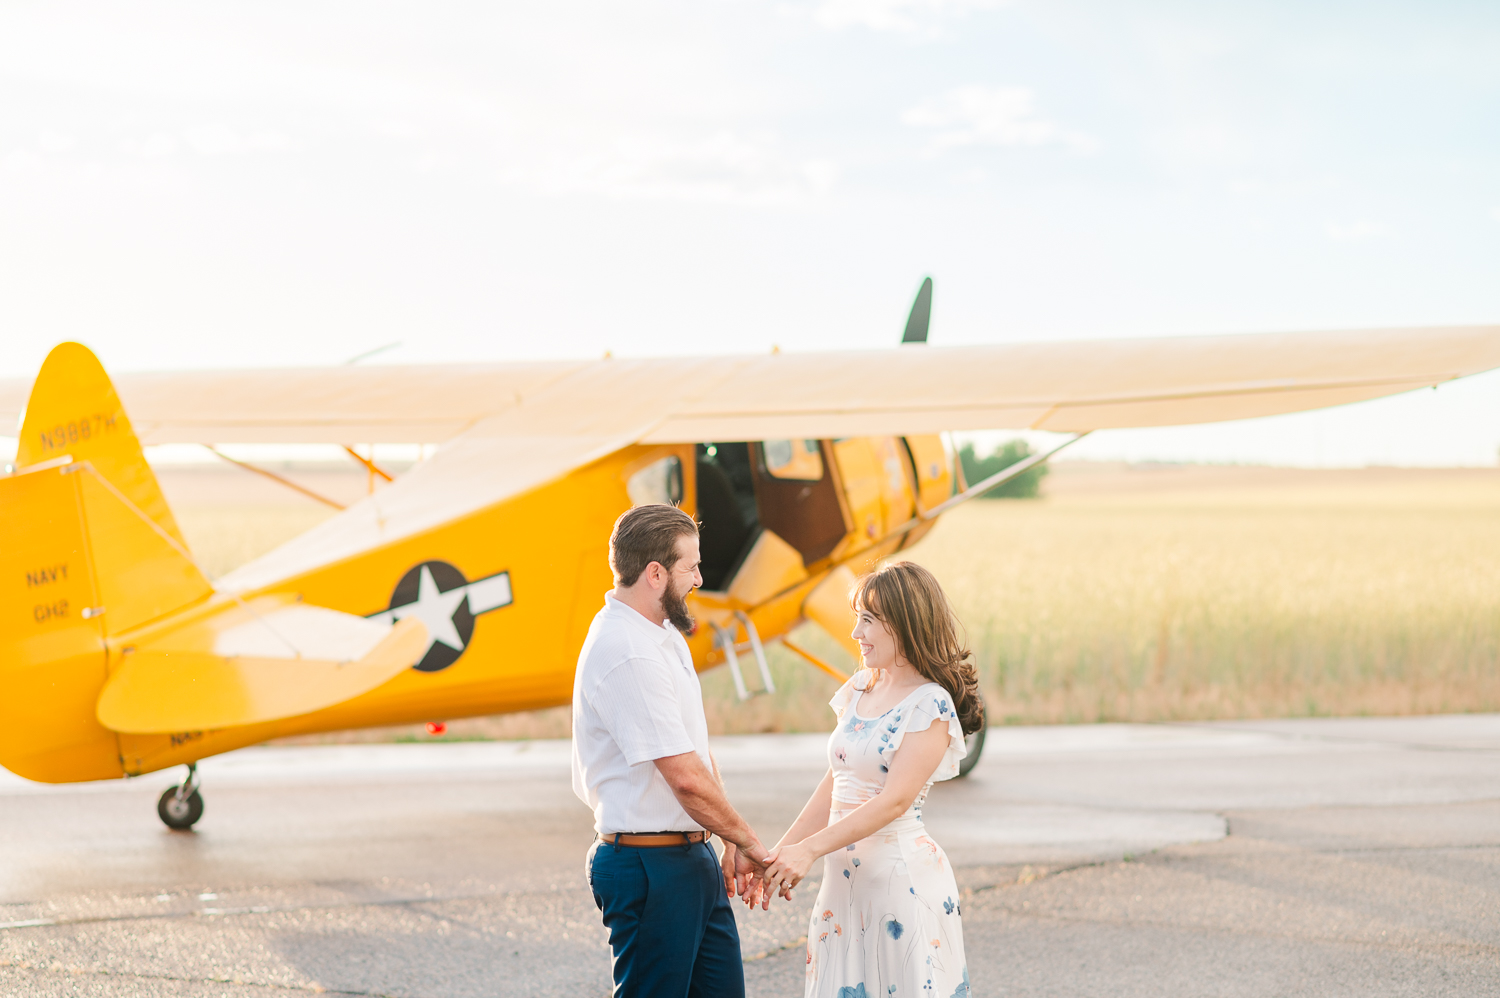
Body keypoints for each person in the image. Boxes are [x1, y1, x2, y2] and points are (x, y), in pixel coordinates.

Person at [571, 503, 772, 998]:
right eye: (692, 567)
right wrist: (748, 841)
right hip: (648, 866)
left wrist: (724, 840)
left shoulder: (662, 635)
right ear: (656, 573)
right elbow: (682, 776)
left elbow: (695, 753)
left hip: (690, 858)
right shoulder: (626, 650)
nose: (701, 579)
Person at [757, 561, 982, 998]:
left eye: (868, 621)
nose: (856, 633)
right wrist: (780, 854)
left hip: (900, 887)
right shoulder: (861, 687)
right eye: (857, 618)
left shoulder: (929, 704)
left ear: (904, 624)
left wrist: (808, 851)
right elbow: (835, 782)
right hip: (842, 888)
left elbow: (894, 801)